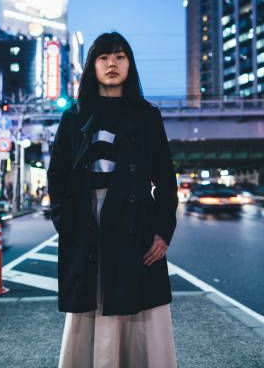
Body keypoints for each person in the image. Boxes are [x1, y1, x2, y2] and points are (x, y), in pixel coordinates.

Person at [47, 32, 179, 368]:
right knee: (91, 302)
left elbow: (165, 178)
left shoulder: (147, 115)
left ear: (130, 65)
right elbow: (57, 178)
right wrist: (67, 225)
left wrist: (163, 232)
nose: (112, 63)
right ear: (92, 65)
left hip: (135, 224)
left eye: (120, 56)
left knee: (141, 312)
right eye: (104, 57)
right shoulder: (74, 116)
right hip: (87, 223)